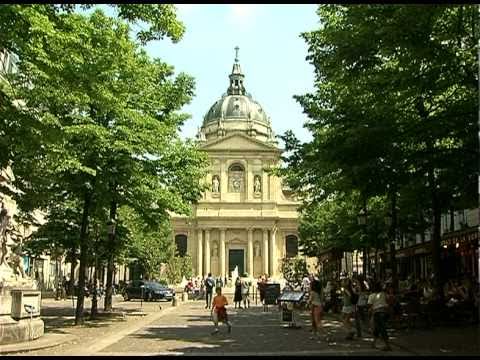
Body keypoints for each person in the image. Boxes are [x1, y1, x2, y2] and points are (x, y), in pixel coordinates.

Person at [368, 282, 391, 351]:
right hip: (384, 312)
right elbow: (389, 299)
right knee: (378, 328)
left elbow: (370, 305)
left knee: (381, 328)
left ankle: (387, 345)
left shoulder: (371, 296)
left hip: (377, 313)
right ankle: (374, 343)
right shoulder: (383, 294)